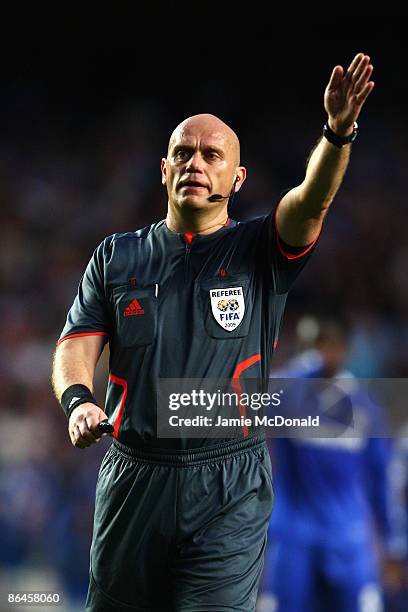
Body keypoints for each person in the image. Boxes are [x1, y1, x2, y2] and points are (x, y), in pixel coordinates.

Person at [51, 53, 374, 611]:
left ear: (237, 176)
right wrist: (78, 400)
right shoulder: (117, 256)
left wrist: (337, 132)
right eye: (183, 153)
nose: (195, 163)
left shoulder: (260, 250)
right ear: (164, 169)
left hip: (229, 482)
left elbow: (312, 197)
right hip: (134, 476)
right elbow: (75, 346)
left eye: (211, 154)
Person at [258, 317, 395, 612]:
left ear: (347, 350)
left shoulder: (364, 405)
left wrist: (389, 540)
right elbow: (256, 398)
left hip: (348, 537)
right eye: (322, 345)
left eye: (335, 346)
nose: (328, 353)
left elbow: (380, 475)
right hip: (296, 536)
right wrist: (298, 366)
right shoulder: (292, 397)